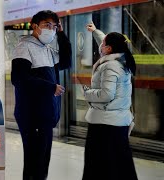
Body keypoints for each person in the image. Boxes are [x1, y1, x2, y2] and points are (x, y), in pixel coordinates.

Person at [11, 10, 72, 180]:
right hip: (32, 115)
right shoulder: (25, 46)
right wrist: (50, 88)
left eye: (54, 26)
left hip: (44, 115)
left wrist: (61, 34)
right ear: (35, 26)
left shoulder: (46, 49)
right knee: (35, 161)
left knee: (41, 161)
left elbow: (66, 61)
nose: (50, 29)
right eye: (47, 25)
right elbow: (19, 78)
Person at [82, 22, 138, 180]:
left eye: (103, 44)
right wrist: (96, 32)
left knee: (99, 166)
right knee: (120, 164)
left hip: (104, 125)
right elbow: (109, 41)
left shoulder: (110, 65)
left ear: (109, 49)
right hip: (117, 123)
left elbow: (106, 94)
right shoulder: (122, 61)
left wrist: (87, 93)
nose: (100, 45)